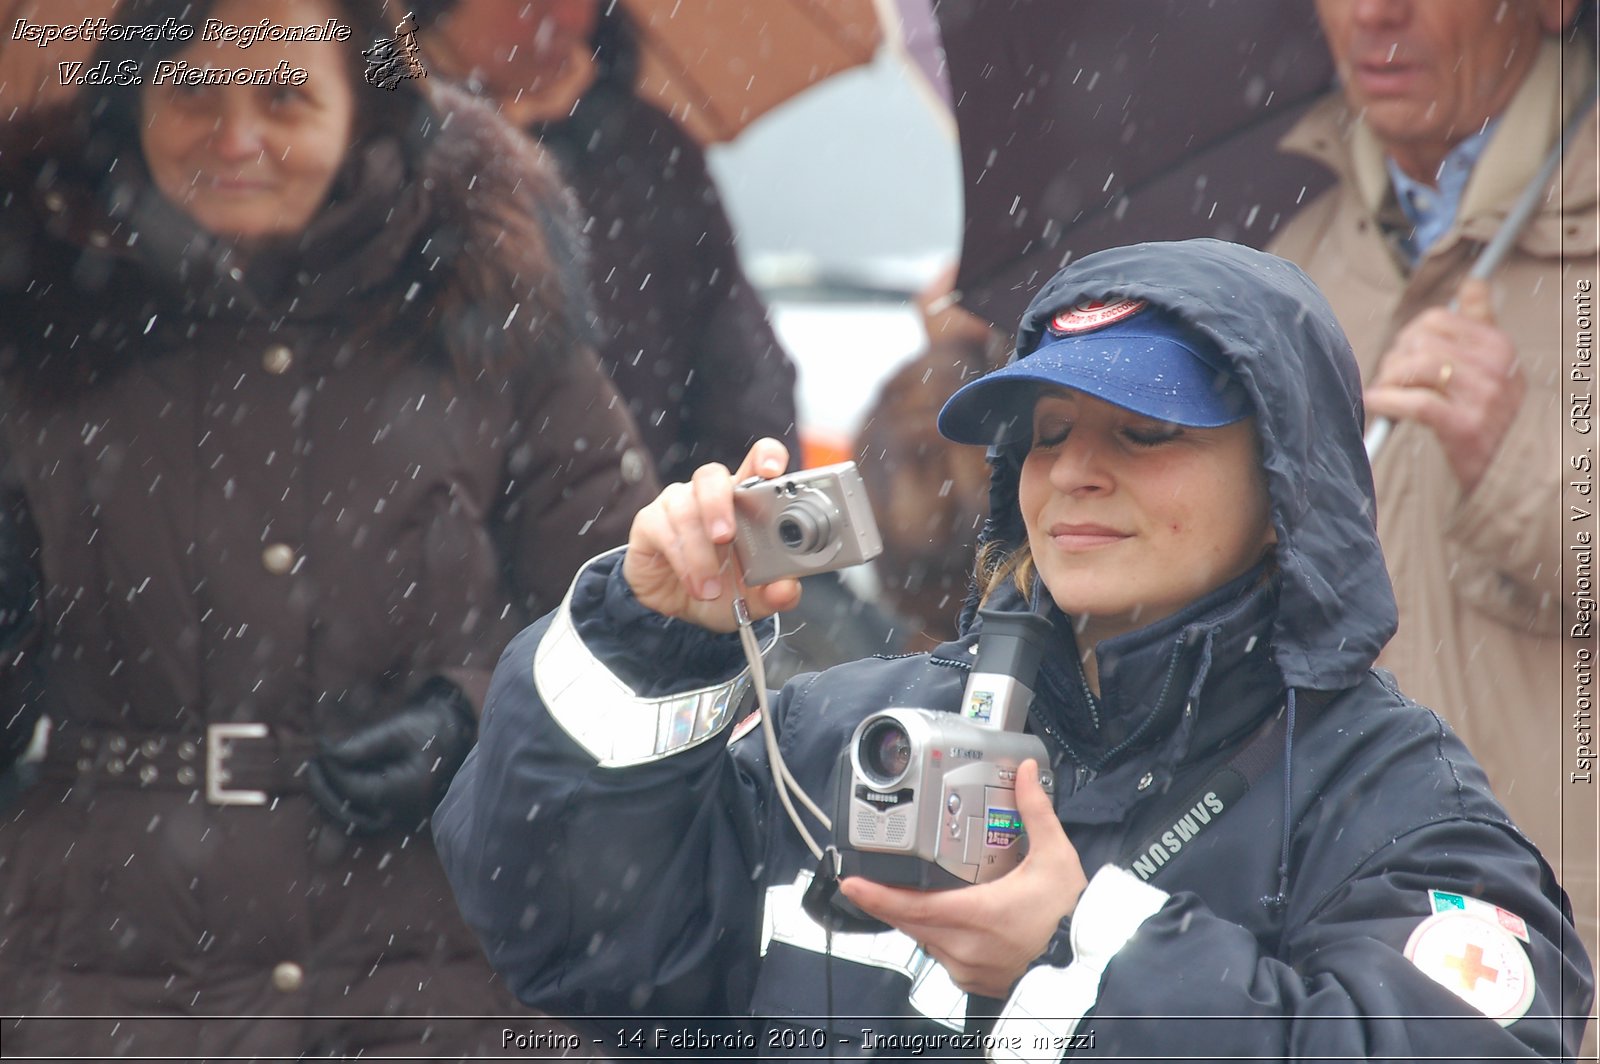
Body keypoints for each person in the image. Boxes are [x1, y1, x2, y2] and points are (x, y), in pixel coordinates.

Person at [434, 238, 1594, 1058]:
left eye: (1144, 431)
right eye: (1045, 434)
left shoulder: (1394, 801)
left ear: (1287, 482)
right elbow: (576, 944)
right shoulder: (847, 730)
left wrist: (1076, 952)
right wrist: (645, 635)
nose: (1075, 470)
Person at [0, 0, 659, 1057]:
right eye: (191, 95)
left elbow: (627, 602)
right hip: (104, 974)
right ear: (128, 103)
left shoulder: (481, 299)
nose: (237, 139)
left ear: (367, 106)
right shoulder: (33, 308)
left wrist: (478, 717)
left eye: (283, 97)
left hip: (425, 968)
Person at [1266, 0, 1599, 974]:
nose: (1375, 12)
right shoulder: (1292, 266)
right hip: (1346, 959)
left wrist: (1515, 468)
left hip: (1559, 956)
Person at [418, 0, 803, 485]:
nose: (569, 18)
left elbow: (739, 372)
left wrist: (719, 510)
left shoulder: (648, 151)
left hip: (638, 528)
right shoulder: (372, 156)